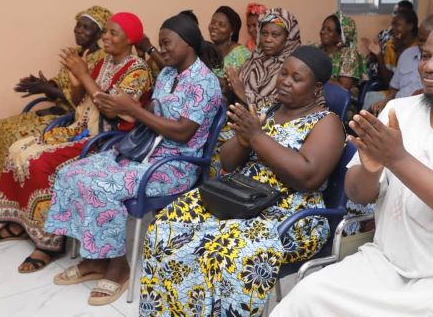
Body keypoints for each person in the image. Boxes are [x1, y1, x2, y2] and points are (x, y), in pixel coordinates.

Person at [271, 15, 433, 317]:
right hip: (385, 264)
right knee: (306, 296)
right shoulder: (399, 110)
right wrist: (371, 168)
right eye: (425, 55)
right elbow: (357, 194)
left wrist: (397, 160)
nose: (429, 66)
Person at [140, 45, 345, 316]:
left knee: (221, 252)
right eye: (283, 73)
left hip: (291, 214)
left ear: (317, 88)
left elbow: (307, 177)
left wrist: (257, 137)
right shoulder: (270, 111)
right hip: (240, 198)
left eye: (297, 78)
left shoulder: (327, 124)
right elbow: (228, 162)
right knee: (165, 227)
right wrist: (244, 139)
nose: (285, 81)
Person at [44, 13, 222, 306]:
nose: (161, 49)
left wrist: (134, 110)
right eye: (160, 43)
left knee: (103, 187)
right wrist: (124, 108)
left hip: (174, 165)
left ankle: (118, 267)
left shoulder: (204, 82)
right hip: (145, 151)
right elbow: (152, 114)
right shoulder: (168, 74)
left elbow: (182, 133)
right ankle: (96, 259)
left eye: (167, 43)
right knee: (73, 173)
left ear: (188, 43)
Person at [0, 12, 151, 273]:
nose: (105, 37)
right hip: (80, 129)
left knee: (41, 162)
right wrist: (76, 81)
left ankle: (49, 243)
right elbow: (80, 99)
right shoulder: (104, 62)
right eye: (105, 31)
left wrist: (84, 75)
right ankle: (17, 224)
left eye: (112, 33)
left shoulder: (138, 70)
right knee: (18, 149)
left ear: (130, 40)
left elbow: (112, 111)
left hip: (105, 139)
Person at [0, 6, 112, 183]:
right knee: (2, 126)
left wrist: (46, 89)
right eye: (78, 25)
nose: (79, 30)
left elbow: (84, 98)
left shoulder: (102, 59)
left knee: (15, 134)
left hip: (74, 118)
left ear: (99, 34)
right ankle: (6, 185)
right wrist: (44, 84)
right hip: (58, 110)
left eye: (86, 27)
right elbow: (62, 83)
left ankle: (25, 184)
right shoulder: (73, 54)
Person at [226, 7, 301, 109]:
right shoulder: (253, 60)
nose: (268, 39)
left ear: (288, 38)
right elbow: (235, 90)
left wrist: (244, 95)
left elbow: (279, 110)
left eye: (275, 35)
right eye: (264, 33)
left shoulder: (293, 68)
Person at [371, 14, 433, 115]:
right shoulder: (407, 54)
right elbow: (394, 90)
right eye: (420, 40)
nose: (422, 46)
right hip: (396, 108)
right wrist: (386, 101)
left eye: (427, 41)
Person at [360, 9, 419, 109]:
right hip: (393, 91)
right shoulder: (391, 45)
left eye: (398, 25)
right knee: (371, 97)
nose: (392, 28)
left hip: (411, 95)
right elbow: (388, 81)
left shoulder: (418, 49)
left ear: (410, 26)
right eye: (392, 24)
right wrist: (379, 55)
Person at [317, 11, 364, 92]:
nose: (322, 32)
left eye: (329, 30)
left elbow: (343, 87)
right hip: (317, 94)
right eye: (323, 28)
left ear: (340, 36)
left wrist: (315, 78)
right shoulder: (317, 49)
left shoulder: (349, 55)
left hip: (339, 97)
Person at [208, 5, 251, 87]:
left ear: (232, 31)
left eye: (221, 25)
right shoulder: (208, 50)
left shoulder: (243, 55)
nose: (214, 27)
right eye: (213, 22)